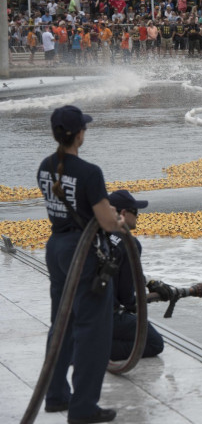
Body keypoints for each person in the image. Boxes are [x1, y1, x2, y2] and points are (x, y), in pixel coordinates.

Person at [37, 105, 126, 423]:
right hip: (84, 253)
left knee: (61, 323)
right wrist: (117, 219)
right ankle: (83, 407)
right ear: (78, 135)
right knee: (92, 331)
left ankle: (56, 394)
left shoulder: (44, 167)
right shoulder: (89, 173)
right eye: (84, 129)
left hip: (57, 248)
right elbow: (106, 220)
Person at [107, 190, 169, 361]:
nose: (138, 216)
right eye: (135, 212)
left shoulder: (98, 235)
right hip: (106, 316)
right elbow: (127, 300)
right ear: (123, 213)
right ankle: (94, 350)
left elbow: (118, 271)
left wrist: (149, 282)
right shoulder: (129, 242)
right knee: (155, 343)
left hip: (82, 314)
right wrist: (150, 298)